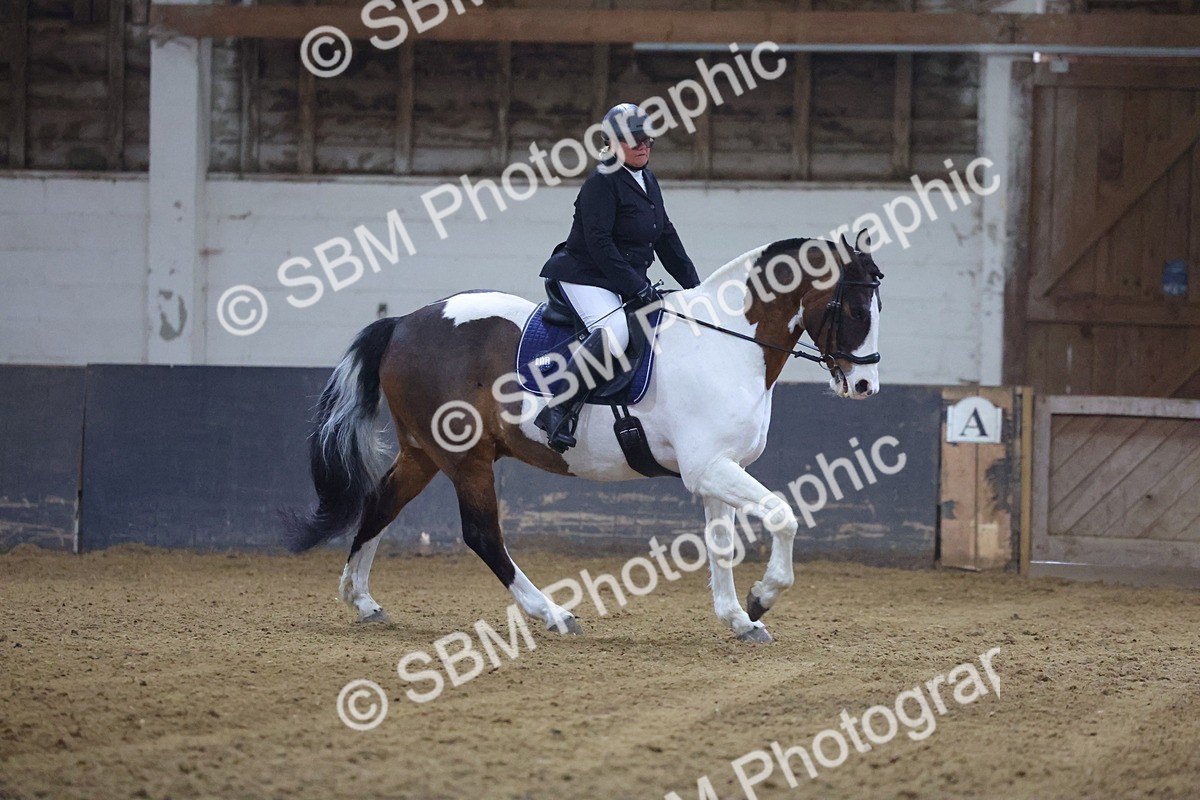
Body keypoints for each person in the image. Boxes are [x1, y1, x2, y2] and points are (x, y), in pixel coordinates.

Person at [536, 103, 701, 453]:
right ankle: (557, 409)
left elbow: (665, 235)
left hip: (618, 278)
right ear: (611, 143)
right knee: (614, 333)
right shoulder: (602, 181)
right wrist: (636, 286)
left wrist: (696, 287)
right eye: (634, 139)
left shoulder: (647, 179)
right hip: (585, 275)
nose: (643, 145)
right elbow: (600, 244)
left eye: (647, 139)